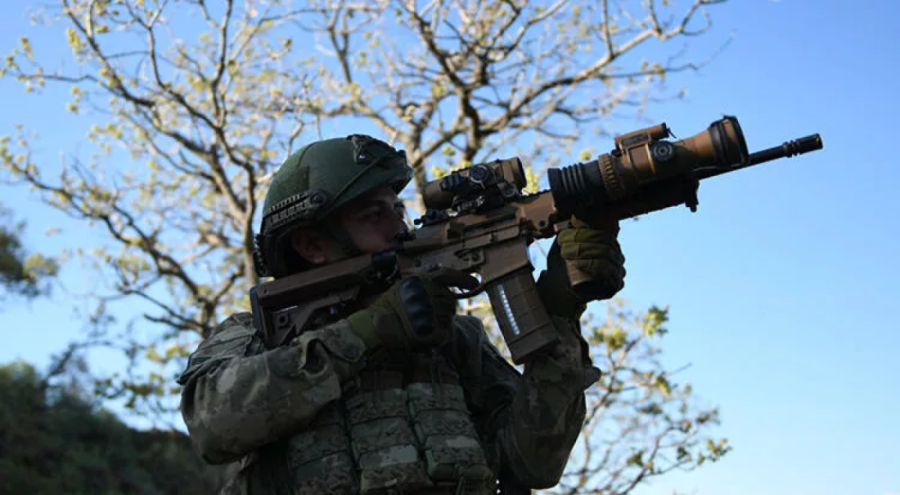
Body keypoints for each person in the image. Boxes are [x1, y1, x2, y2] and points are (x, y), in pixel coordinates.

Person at [177, 134, 627, 495]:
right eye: (374, 216)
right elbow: (214, 424)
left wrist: (561, 314)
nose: (400, 229)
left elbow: (535, 463)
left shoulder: (454, 341)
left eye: (399, 210)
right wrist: (367, 332)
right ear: (312, 246)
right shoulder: (255, 336)